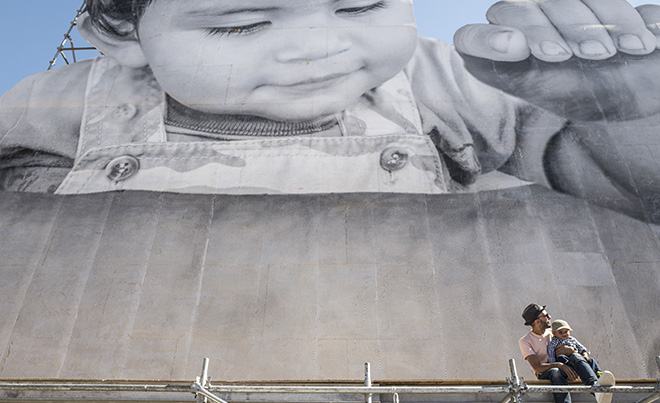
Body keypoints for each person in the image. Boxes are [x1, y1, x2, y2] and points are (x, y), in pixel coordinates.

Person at [0, 0, 658, 222]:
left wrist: (622, 116)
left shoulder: (438, 80)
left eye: (359, 5)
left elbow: (618, 187)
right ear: (122, 34)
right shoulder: (70, 100)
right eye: (243, 24)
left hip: (394, 368)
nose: (319, 49)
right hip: (145, 372)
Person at [519, 304, 615, 403]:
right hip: (547, 373)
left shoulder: (554, 332)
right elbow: (538, 367)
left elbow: (574, 346)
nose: (549, 317)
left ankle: (596, 387)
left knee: (576, 356)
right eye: (545, 315)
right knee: (555, 372)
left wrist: (573, 351)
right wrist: (559, 365)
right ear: (537, 321)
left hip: (567, 365)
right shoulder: (526, 341)